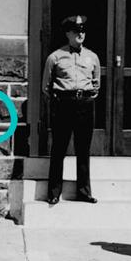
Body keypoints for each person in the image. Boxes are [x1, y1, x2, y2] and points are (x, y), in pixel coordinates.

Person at [41, 14, 101, 206]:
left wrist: (87, 98)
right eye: (76, 32)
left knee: (83, 150)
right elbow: (46, 87)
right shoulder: (55, 57)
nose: (80, 35)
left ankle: (84, 191)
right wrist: (60, 101)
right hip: (64, 105)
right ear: (68, 33)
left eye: (82, 31)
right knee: (59, 149)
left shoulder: (92, 57)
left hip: (84, 104)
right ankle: (53, 192)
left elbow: (96, 84)